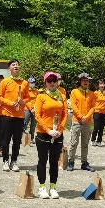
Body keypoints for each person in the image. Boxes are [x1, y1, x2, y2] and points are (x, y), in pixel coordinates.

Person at [34, 71, 67, 199]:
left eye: (54, 80)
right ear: (45, 83)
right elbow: (37, 115)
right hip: (43, 133)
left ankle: (53, 187)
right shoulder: (41, 96)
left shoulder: (62, 96)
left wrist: (60, 130)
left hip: (57, 133)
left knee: (54, 161)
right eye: (49, 81)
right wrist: (48, 130)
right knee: (42, 160)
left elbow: (65, 115)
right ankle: (42, 187)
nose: (52, 83)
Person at [0, 59, 30, 172]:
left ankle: (14, 161)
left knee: (17, 140)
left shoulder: (24, 83)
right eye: (13, 65)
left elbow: (28, 97)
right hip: (7, 115)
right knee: (5, 139)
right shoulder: (5, 82)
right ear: (9, 68)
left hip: (19, 116)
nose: (16, 66)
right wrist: (9, 103)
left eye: (17, 65)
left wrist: (23, 101)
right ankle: (5, 161)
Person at [67, 72, 96, 172]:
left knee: (85, 143)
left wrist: (86, 117)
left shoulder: (92, 94)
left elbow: (93, 107)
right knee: (74, 142)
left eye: (87, 80)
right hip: (77, 121)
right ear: (79, 81)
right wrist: (80, 116)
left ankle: (84, 163)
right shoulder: (74, 92)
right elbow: (73, 105)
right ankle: (71, 162)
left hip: (87, 122)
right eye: (83, 80)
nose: (85, 82)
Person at [91, 79, 105, 146]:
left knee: (101, 128)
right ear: (98, 85)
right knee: (96, 127)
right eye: (101, 84)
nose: (102, 85)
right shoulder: (95, 93)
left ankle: (99, 141)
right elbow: (92, 103)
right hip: (97, 112)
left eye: (103, 84)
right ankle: (93, 140)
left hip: (104, 112)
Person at [23, 76, 39, 144]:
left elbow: (38, 100)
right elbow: (26, 100)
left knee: (33, 125)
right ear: (28, 83)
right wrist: (31, 108)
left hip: (35, 109)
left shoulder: (36, 91)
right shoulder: (26, 90)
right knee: (25, 123)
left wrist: (35, 108)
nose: (32, 84)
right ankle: (24, 139)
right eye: (31, 82)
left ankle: (31, 138)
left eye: (33, 82)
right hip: (27, 109)